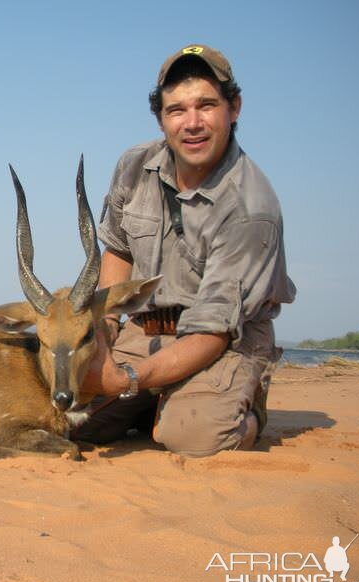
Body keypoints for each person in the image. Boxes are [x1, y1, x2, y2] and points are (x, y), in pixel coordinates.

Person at [75, 44, 296, 457]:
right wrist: (104, 330)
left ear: (234, 108)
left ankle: (246, 411)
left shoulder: (251, 208)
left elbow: (212, 332)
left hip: (228, 337)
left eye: (206, 106)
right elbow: (118, 249)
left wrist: (123, 380)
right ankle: (157, 399)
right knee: (75, 422)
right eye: (176, 110)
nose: (192, 123)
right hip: (153, 324)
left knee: (192, 438)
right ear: (160, 119)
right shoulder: (134, 165)